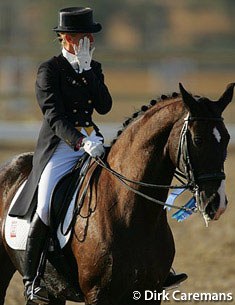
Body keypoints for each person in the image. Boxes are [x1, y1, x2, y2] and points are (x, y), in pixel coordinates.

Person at [9, 6, 186, 304]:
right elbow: (54, 116)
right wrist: (79, 142)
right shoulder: (49, 70)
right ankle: (34, 278)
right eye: (82, 37)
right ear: (66, 38)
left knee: (127, 192)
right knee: (46, 203)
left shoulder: (93, 66)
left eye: (89, 38)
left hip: (94, 141)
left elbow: (103, 106)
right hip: (60, 147)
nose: (87, 42)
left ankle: (157, 265)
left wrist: (89, 70)